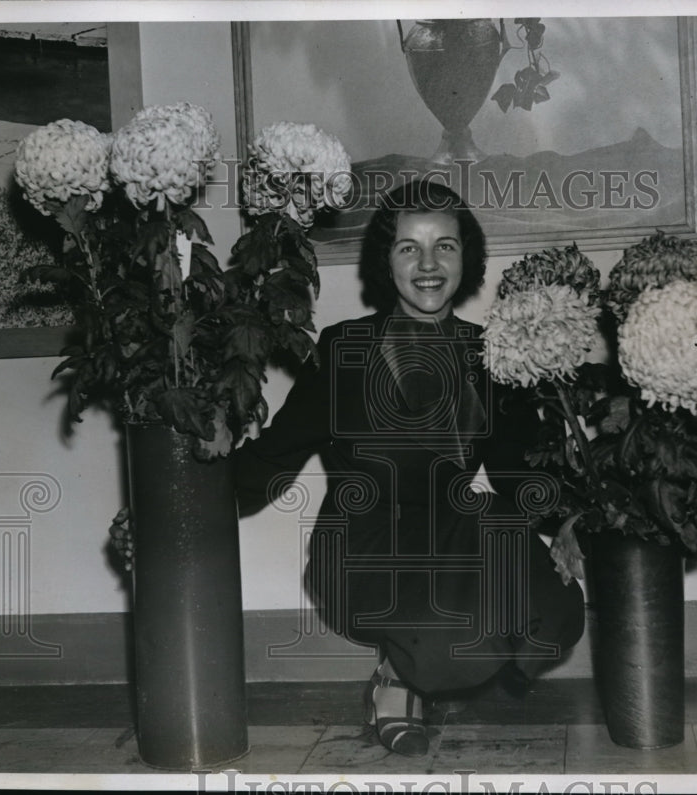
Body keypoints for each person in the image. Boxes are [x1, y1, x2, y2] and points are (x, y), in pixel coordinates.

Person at [235, 180, 585, 756]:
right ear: (385, 260)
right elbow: (272, 458)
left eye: (445, 246)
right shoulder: (343, 349)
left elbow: (514, 472)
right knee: (448, 636)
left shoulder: (491, 352)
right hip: (364, 541)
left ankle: (423, 659)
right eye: (408, 248)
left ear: (465, 257)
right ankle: (398, 678)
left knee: (552, 608)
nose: (428, 265)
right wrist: (180, 504)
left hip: (455, 530)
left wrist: (571, 519)